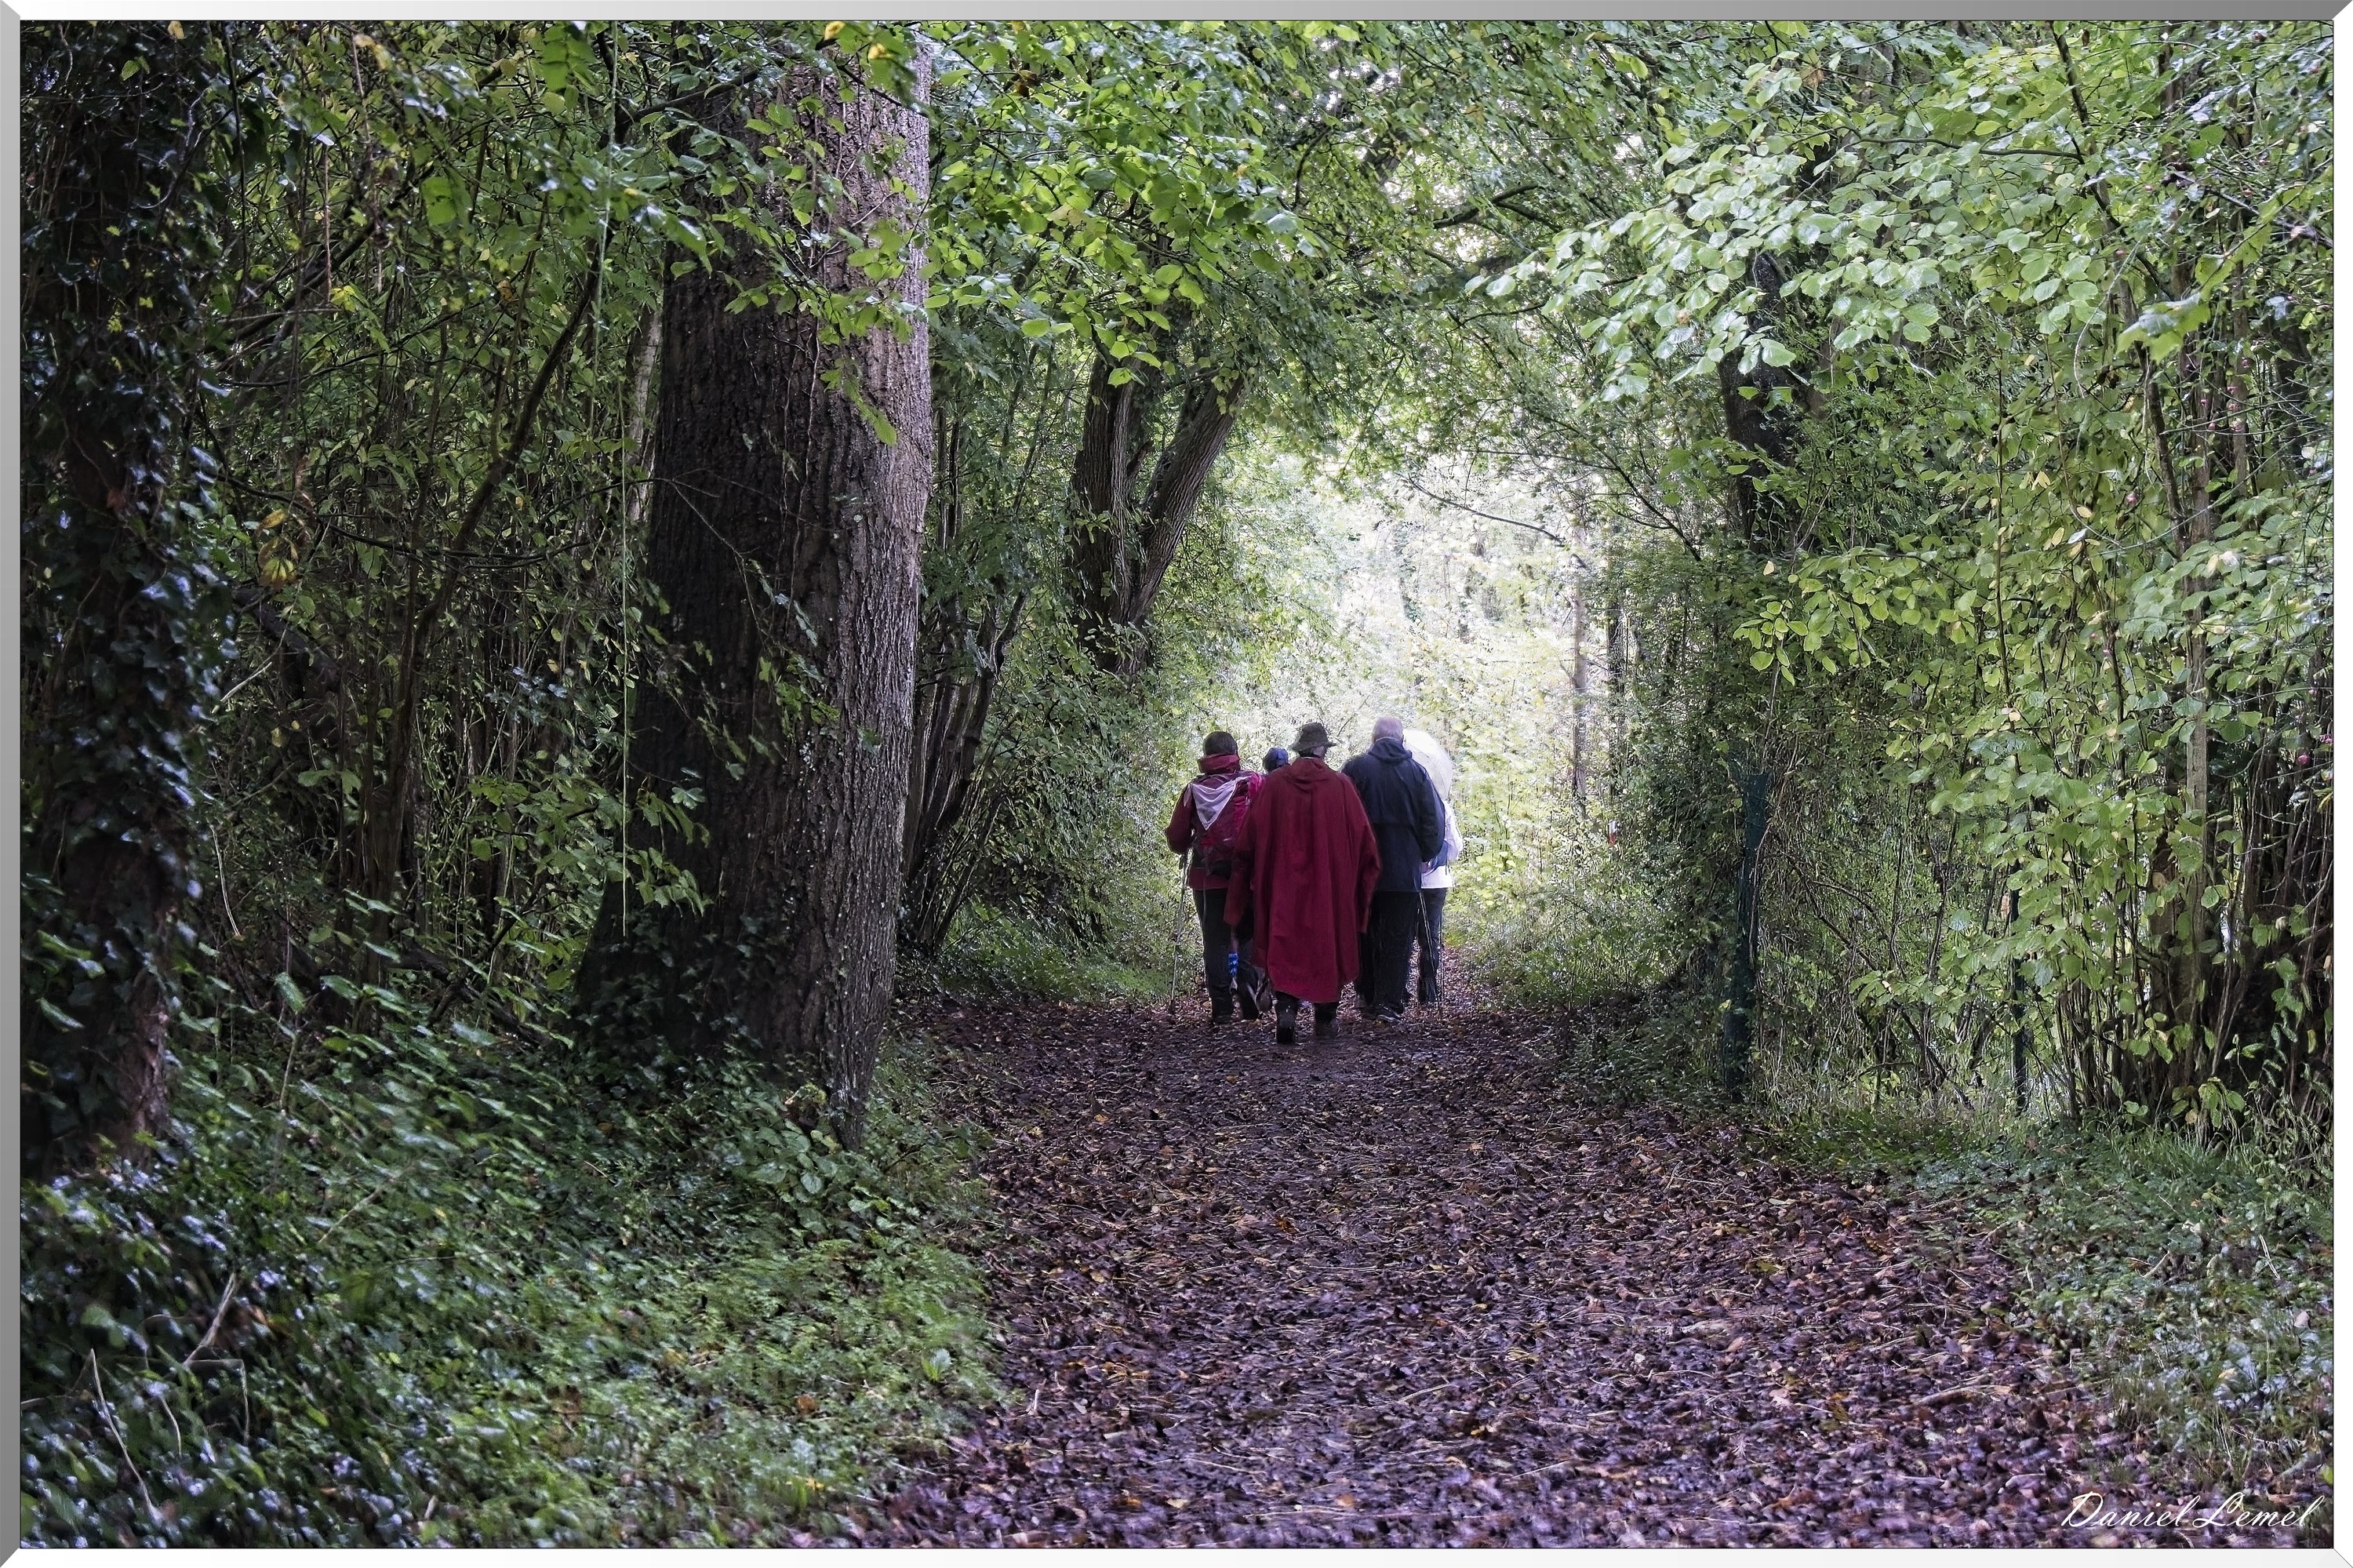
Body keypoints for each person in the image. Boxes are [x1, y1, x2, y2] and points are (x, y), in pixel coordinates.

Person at [1228, 722, 1379, 1045]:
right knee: (1328, 946)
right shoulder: (1342, 787)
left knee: (1287, 946)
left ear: (1299, 750)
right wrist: (1360, 892)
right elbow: (1367, 847)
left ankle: (1286, 1010)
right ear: (1323, 750)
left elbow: (1248, 842)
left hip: (1284, 891)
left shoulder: (1274, 786)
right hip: (1329, 893)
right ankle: (1325, 1017)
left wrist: (1245, 892)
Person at [1341, 716, 1443, 1022]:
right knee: (1399, 936)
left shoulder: (1355, 769)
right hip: (1403, 870)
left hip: (1363, 870)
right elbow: (1432, 821)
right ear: (1401, 740)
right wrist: (1425, 853)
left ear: (1374, 740)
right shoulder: (1417, 774)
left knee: (1365, 931)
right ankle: (1390, 1002)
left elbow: (1340, 816)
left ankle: (1367, 994)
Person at [1164, 730, 1267, 1022]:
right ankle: (1247, 986)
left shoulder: (1193, 790)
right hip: (1246, 874)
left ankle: (1221, 1005)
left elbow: (1176, 838)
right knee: (1246, 932)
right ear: (1235, 753)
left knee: (1216, 940)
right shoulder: (1254, 783)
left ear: (1206, 755)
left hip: (1207, 876)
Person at [1403, 727, 1464, 1009]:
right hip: (1436, 882)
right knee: (1430, 937)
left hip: (1405, 879)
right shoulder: (1443, 806)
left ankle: (1399, 991)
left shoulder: (1404, 804)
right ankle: (1428, 992)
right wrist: (1436, 859)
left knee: (1403, 934)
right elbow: (1455, 847)